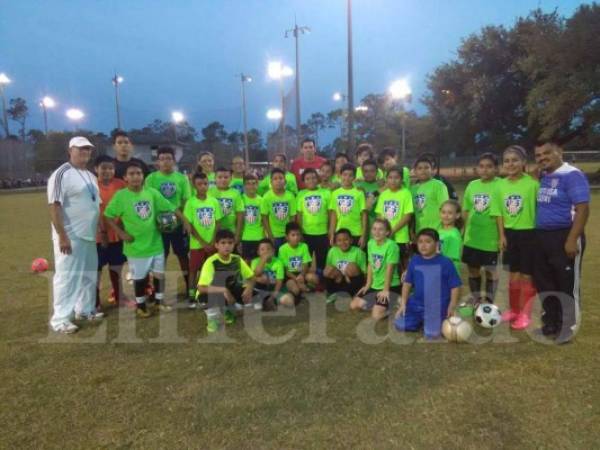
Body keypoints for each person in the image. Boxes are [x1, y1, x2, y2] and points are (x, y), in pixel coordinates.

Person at [104, 161, 181, 317]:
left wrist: (172, 222)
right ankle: (141, 306)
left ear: (143, 176)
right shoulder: (121, 196)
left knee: (159, 275)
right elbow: (108, 216)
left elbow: (169, 208)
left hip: (156, 243)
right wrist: (121, 233)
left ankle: (159, 302)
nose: (136, 177)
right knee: (139, 278)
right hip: (136, 247)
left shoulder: (152, 193)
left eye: (138, 173)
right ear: (125, 177)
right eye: (131, 174)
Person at [533, 140, 590, 343]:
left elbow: (583, 208)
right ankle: (551, 323)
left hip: (565, 235)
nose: (542, 158)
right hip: (542, 237)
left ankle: (568, 328)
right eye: (538, 155)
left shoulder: (572, 175)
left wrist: (572, 239)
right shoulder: (544, 175)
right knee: (545, 282)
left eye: (547, 153)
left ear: (560, 152)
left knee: (566, 284)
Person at [47, 137, 103, 333]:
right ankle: (60, 319)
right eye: (81, 149)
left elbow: (96, 204)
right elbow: (54, 205)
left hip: (88, 235)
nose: (85, 153)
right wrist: (62, 235)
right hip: (71, 235)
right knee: (67, 277)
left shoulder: (90, 175)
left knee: (89, 276)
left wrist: (99, 228)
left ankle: (85, 310)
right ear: (70, 150)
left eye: (88, 150)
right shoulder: (62, 174)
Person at [496, 145, 539, 330]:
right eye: (507, 161)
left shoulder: (533, 184)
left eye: (515, 160)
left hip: (529, 233)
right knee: (513, 275)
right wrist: (502, 235)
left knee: (527, 276)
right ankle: (513, 310)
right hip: (510, 234)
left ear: (523, 163)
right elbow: (499, 212)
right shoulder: (500, 185)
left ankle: (525, 314)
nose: (510, 164)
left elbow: (539, 210)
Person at [394, 228, 462, 339]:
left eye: (428, 241)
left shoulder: (446, 262)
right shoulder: (414, 260)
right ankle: (421, 320)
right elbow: (407, 283)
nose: (423, 245)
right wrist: (403, 304)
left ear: (437, 244)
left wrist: (452, 305)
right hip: (417, 304)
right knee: (399, 324)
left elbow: (455, 286)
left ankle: (432, 321)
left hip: (437, 306)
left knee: (431, 334)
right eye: (420, 242)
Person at [144, 146, 192, 294]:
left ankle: (190, 289)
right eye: (162, 159)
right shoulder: (151, 179)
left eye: (169, 158)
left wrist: (184, 221)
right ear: (158, 161)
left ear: (174, 160)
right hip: (159, 226)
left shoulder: (181, 178)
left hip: (177, 224)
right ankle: (159, 292)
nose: (165, 162)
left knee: (183, 256)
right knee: (160, 258)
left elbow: (186, 201)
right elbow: (148, 202)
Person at [197, 229, 255, 333]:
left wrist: (249, 289)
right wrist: (224, 290)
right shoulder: (211, 262)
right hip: (212, 292)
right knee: (207, 297)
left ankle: (228, 311)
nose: (227, 246)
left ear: (234, 245)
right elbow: (201, 288)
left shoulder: (237, 259)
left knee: (253, 295)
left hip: (230, 290)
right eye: (223, 243)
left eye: (230, 243)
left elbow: (251, 277)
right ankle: (212, 319)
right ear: (216, 245)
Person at [462, 153, 501, 304]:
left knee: (491, 271)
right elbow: (466, 210)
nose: (485, 170)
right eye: (482, 166)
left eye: (489, 166)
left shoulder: (500, 184)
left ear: (496, 169)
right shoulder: (472, 185)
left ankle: (489, 302)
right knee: (473, 269)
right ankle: (477, 299)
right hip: (472, 237)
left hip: (490, 237)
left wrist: (501, 236)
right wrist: (462, 231)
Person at [183, 172, 222, 308]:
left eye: (205, 183)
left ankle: (206, 295)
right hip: (197, 244)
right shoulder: (190, 203)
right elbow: (190, 226)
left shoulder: (213, 201)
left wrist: (212, 241)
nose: (203, 186)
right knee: (194, 270)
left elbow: (218, 222)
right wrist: (203, 242)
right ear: (194, 185)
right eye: (199, 184)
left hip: (212, 244)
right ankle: (192, 295)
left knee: (209, 270)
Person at [94, 155, 128, 310]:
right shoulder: (92, 185)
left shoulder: (121, 184)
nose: (107, 171)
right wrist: (102, 233)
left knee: (117, 267)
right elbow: (94, 210)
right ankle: (94, 301)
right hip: (98, 235)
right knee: (97, 269)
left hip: (117, 233)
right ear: (96, 169)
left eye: (110, 168)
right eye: (103, 168)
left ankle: (119, 296)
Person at [351, 219, 402, 320]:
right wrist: (368, 284)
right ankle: (382, 303)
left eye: (380, 229)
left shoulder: (392, 246)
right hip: (375, 286)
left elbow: (390, 268)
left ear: (387, 232)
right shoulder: (371, 243)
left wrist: (386, 290)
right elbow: (370, 264)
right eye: (374, 229)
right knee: (354, 305)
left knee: (376, 315)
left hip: (390, 286)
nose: (377, 232)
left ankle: (394, 303)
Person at [374, 166, 414, 271]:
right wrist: (383, 231)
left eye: (396, 177)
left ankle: (405, 286)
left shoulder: (406, 193)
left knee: (402, 264)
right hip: (385, 236)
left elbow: (407, 216)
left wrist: (392, 231)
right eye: (390, 177)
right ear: (386, 179)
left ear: (401, 179)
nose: (393, 180)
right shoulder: (384, 194)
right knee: (388, 264)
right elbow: (379, 215)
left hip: (400, 237)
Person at [296, 168, 331, 272]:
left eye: (313, 178)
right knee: (307, 259)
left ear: (318, 179)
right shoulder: (301, 194)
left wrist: (330, 230)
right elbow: (299, 215)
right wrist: (300, 232)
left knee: (322, 259)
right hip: (306, 233)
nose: (311, 180)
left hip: (322, 232)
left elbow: (330, 213)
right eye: (307, 179)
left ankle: (321, 280)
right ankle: (308, 280)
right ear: (303, 181)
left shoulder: (326, 193)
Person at [277, 222, 319, 305]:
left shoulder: (304, 246)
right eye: (293, 235)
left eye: (298, 235)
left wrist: (302, 275)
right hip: (290, 276)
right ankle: (301, 292)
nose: (296, 237)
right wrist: (297, 279)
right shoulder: (282, 249)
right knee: (295, 289)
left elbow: (305, 264)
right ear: (287, 237)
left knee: (313, 278)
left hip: (302, 274)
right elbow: (286, 270)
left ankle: (305, 291)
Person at [329, 163, 368, 248]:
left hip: (356, 232)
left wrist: (363, 235)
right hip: (340, 232)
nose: (347, 178)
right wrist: (332, 233)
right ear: (340, 175)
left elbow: (364, 215)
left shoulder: (359, 193)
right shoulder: (335, 193)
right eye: (345, 175)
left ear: (354, 177)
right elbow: (333, 215)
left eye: (350, 175)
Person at [323, 228, 367, 304]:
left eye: (346, 239)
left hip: (351, 281)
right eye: (339, 240)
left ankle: (349, 294)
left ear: (351, 241)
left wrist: (348, 275)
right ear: (336, 242)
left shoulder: (358, 252)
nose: (343, 242)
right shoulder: (332, 251)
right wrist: (342, 275)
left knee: (351, 266)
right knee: (327, 270)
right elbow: (328, 270)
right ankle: (333, 293)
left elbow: (365, 273)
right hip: (339, 279)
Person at [261, 168, 297, 250]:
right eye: (275, 179)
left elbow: (292, 217)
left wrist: (289, 234)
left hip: (287, 235)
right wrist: (270, 235)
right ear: (271, 182)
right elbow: (264, 218)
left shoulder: (290, 196)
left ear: (285, 181)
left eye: (281, 178)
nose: (278, 181)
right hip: (273, 235)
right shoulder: (266, 197)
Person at [411, 155, 449, 232]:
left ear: (432, 170)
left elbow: (445, 207)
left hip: (437, 230)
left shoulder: (438, 185)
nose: (423, 170)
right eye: (420, 168)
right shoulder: (413, 189)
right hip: (420, 231)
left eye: (426, 168)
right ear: (415, 171)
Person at [209, 167, 244, 243]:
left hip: (231, 232)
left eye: (226, 177)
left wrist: (237, 234)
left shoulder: (236, 193)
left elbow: (240, 214)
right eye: (220, 177)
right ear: (215, 178)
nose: (223, 180)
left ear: (231, 178)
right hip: (213, 233)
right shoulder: (209, 193)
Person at [251, 238, 288, 310]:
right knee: (262, 278)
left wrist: (274, 295)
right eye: (262, 249)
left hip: (274, 288)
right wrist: (263, 260)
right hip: (261, 288)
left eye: (268, 249)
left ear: (273, 251)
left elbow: (279, 281)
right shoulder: (255, 261)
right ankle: (259, 299)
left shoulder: (278, 262)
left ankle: (270, 300)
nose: (266, 251)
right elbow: (256, 274)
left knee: (288, 301)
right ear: (258, 252)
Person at [240, 174, 265, 261]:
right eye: (248, 183)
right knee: (246, 263)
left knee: (258, 262)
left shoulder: (262, 200)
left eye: (254, 183)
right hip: (245, 237)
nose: (251, 186)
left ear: (257, 185)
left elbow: (264, 220)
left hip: (259, 236)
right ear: (244, 186)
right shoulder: (241, 199)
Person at [355, 159, 383, 229]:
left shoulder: (382, 185)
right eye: (366, 171)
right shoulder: (356, 185)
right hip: (360, 225)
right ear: (362, 171)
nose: (369, 174)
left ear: (377, 171)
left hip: (377, 225)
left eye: (372, 171)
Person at [437, 200, 463, 274]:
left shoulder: (454, 235)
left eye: (450, 213)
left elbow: (449, 259)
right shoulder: (439, 231)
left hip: (449, 272)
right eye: (443, 212)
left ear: (457, 215)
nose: (446, 216)